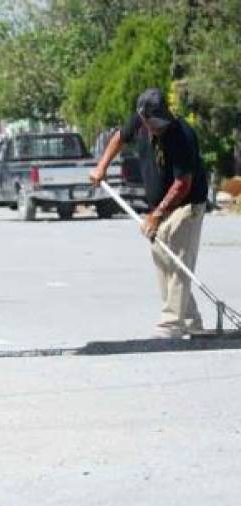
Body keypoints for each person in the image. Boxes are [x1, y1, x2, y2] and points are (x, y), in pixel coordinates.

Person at [91, 88, 210, 338]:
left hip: (187, 203)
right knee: (162, 257)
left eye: (160, 123)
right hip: (160, 205)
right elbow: (118, 138)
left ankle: (171, 323)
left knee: (177, 258)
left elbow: (182, 184)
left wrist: (156, 215)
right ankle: (190, 319)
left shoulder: (181, 135)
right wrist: (101, 167)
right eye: (152, 124)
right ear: (143, 119)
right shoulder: (138, 120)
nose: (157, 128)